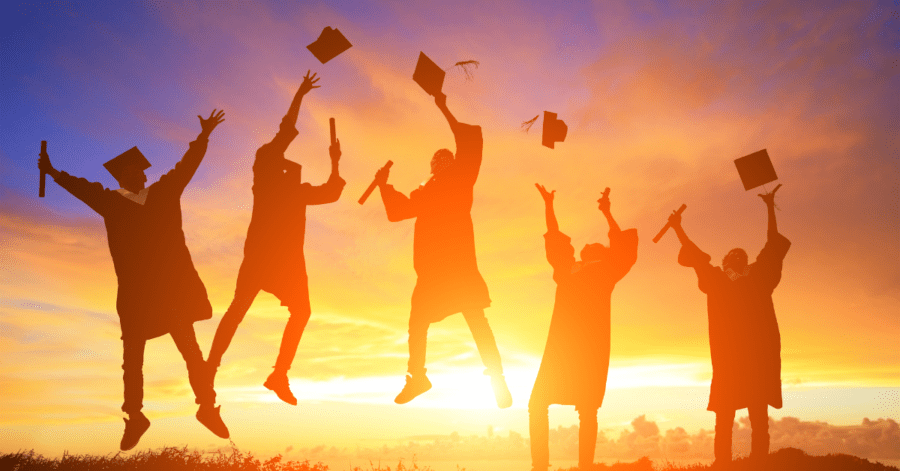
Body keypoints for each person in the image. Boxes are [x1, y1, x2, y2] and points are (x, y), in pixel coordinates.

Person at [37, 110, 229, 451]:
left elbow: (187, 166)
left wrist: (203, 136)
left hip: (170, 292)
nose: (134, 176)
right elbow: (82, 188)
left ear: (143, 175)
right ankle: (136, 417)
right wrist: (53, 172)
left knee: (191, 351)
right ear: (121, 179)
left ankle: (206, 407)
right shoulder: (112, 203)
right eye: (127, 173)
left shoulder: (164, 192)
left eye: (137, 171)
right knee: (132, 359)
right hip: (136, 295)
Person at [207, 71, 344, 406]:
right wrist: (299, 95)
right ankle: (213, 368)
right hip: (262, 257)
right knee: (239, 310)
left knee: (294, 311)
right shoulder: (268, 173)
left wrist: (335, 162)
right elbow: (287, 129)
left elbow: (332, 192)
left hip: (284, 263)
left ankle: (276, 374)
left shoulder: (293, 189)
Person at [373, 92, 512, 408]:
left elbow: (467, 145)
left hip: (449, 270)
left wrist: (444, 106)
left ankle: (425, 377)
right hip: (442, 271)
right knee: (462, 321)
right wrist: (384, 185)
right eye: (438, 163)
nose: (440, 166)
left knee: (436, 322)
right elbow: (398, 211)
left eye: (443, 161)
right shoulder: (433, 190)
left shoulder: (457, 181)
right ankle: (489, 377)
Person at [668, 186, 789, 466]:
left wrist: (770, 208)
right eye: (732, 254)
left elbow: (772, 246)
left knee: (758, 417)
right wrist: (677, 228)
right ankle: (722, 464)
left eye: (740, 254)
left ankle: (758, 463)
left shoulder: (758, 278)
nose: (736, 255)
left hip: (756, 359)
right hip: (728, 359)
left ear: (746, 261)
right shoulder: (717, 281)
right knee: (725, 418)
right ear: (724, 262)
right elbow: (695, 255)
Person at [529, 186, 638, 471]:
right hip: (560, 347)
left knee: (587, 409)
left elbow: (623, 247)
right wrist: (549, 205)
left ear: (603, 253)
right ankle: (540, 467)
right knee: (537, 403)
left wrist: (608, 213)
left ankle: (585, 467)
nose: (587, 245)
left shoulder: (608, 271)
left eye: (595, 245)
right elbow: (554, 237)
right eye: (585, 245)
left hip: (590, 348)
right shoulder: (568, 269)